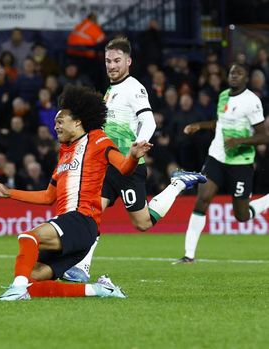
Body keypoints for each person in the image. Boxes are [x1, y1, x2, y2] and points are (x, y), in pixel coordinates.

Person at [0, 85, 152, 301]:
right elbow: (48, 197)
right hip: (72, 227)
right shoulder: (64, 154)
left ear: (77, 122)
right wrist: (10, 193)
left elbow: (123, 168)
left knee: (28, 237)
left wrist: (132, 156)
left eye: (59, 121)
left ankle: (15, 291)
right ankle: (100, 290)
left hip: (81, 220)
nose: (55, 126)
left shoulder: (98, 140)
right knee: (32, 282)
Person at [63, 37, 207, 283]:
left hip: (128, 168)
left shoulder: (134, 88)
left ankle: (178, 184)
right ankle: (82, 267)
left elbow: (148, 121)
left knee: (142, 223)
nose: (111, 65)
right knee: (91, 212)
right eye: (108, 61)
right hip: (108, 165)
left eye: (117, 60)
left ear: (128, 61)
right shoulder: (110, 90)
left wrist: (138, 146)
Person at [175, 63, 269, 263]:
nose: (234, 75)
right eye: (231, 72)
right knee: (202, 198)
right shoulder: (224, 95)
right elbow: (221, 123)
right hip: (216, 157)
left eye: (239, 73)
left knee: (241, 215)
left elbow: (263, 136)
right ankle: (188, 255)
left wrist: (239, 141)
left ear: (246, 78)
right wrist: (200, 125)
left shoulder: (252, 101)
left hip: (241, 162)